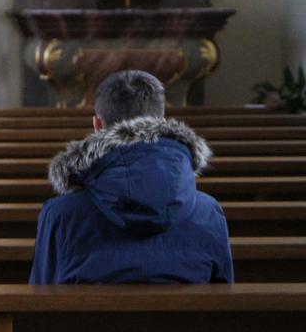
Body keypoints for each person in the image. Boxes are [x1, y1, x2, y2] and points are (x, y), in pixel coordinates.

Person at [30, 70, 233, 284]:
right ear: (162, 123)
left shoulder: (60, 215)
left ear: (98, 126)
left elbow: (41, 298)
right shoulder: (209, 211)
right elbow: (225, 300)